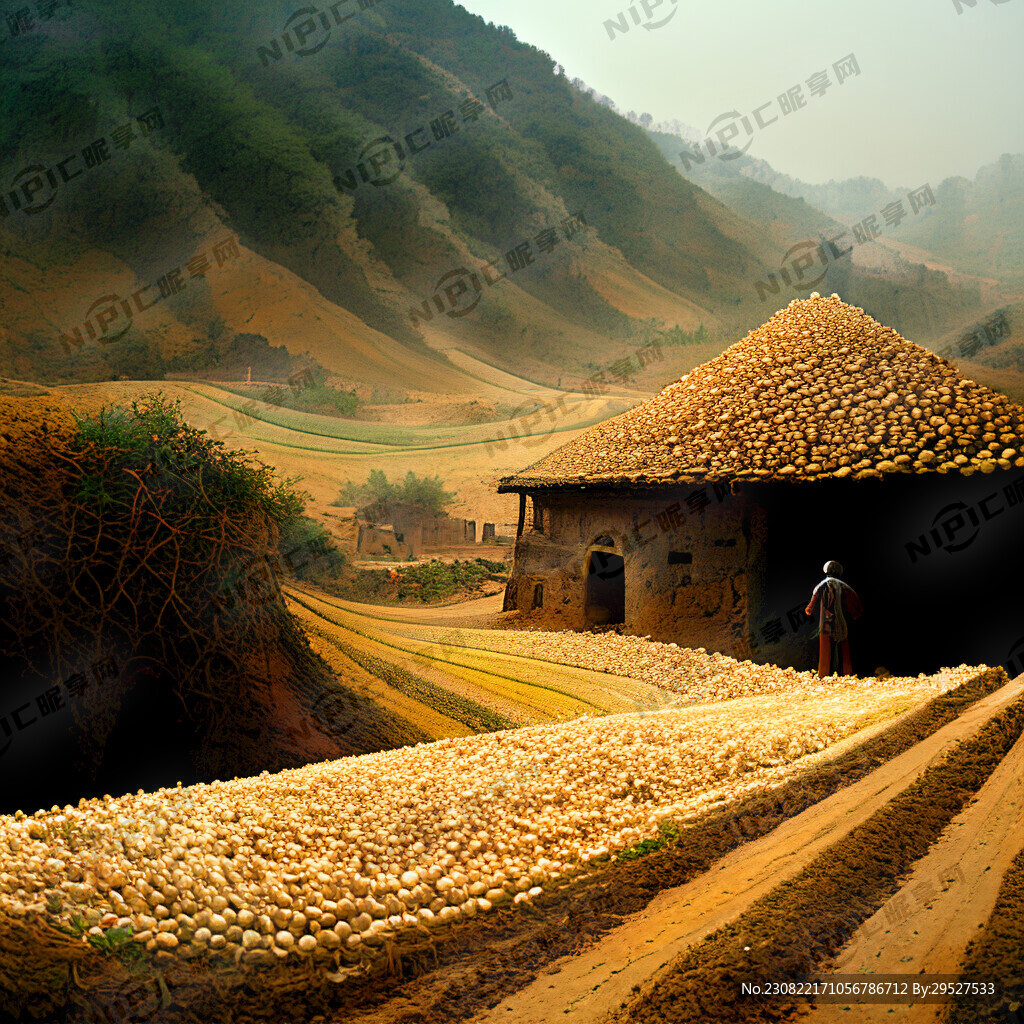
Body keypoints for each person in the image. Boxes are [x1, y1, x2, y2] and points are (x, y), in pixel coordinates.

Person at [805, 560, 863, 677]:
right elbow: (852, 596)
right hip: (839, 619)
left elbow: (815, 595)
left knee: (826, 645)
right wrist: (856, 611)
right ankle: (847, 672)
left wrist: (810, 608)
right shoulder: (842, 585)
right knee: (843, 643)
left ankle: (824, 673)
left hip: (826, 620)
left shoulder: (824, 584)